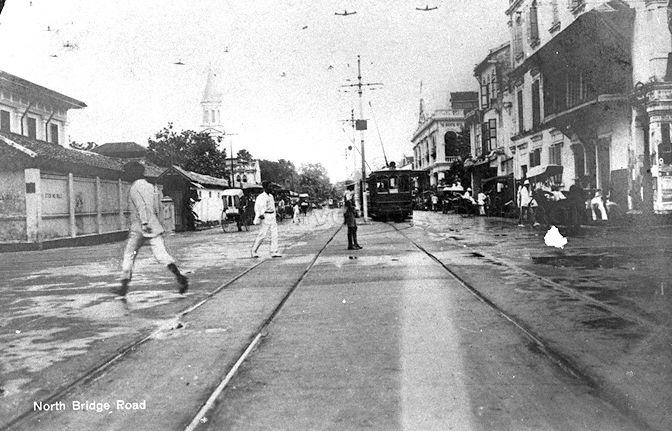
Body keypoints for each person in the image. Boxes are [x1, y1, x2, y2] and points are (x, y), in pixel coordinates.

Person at [112, 161, 188, 297]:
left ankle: (124, 285)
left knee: (129, 254)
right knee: (161, 254)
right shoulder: (151, 186)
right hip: (153, 225)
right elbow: (156, 206)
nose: (126, 175)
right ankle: (180, 276)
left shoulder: (135, 188)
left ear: (133, 173)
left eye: (128, 172)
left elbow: (142, 206)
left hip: (140, 226)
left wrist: (144, 222)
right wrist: (153, 222)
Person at [251, 181, 281, 258]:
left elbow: (273, 207)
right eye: (270, 186)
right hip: (265, 216)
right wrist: (260, 214)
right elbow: (257, 207)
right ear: (265, 187)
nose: (271, 188)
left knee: (274, 234)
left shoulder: (271, 196)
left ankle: (274, 251)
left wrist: (275, 215)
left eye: (272, 186)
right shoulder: (261, 197)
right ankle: (254, 250)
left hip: (272, 216)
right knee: (262, 234)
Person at [344, 182, 362, 250]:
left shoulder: (350, 193)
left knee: (354, 228)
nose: (354, 186)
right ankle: (351, 245)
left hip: (351, 212)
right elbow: (348, 203)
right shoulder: (348, 193)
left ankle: (355, 244)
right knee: (351, 228)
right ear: (350, 186)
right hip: (349, 212)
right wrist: (353, 209)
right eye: (353, 185)